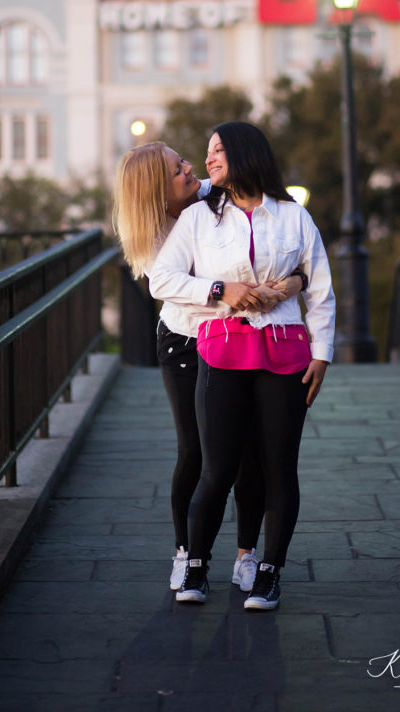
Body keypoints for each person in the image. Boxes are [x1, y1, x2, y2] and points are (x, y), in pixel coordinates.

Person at [149, 122, 335, 611]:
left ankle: (268, 572)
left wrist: (323, 354)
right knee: (216, 467)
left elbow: (320, 287)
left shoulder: (295, 217)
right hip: (221, 349)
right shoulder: (199, 219)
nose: (207, 160)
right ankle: (194, 567)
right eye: (205, 151)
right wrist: (219, 291)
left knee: (277, 467)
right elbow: (162, 278)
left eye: (217, 151)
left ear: (245, 154)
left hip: (285, 351)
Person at [112, 141, 302, 592]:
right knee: (196, 453)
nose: (190, 167)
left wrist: (295, 280)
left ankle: (247, 555)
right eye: (179, 168)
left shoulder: (213, 200)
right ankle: (187, 553)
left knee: (249, 454)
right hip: (185, 341)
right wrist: (221, 289)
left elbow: (277, 247)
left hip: (238, 339)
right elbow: (168, 283)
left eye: (184, 160)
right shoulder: (156, 232)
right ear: (157, 190)